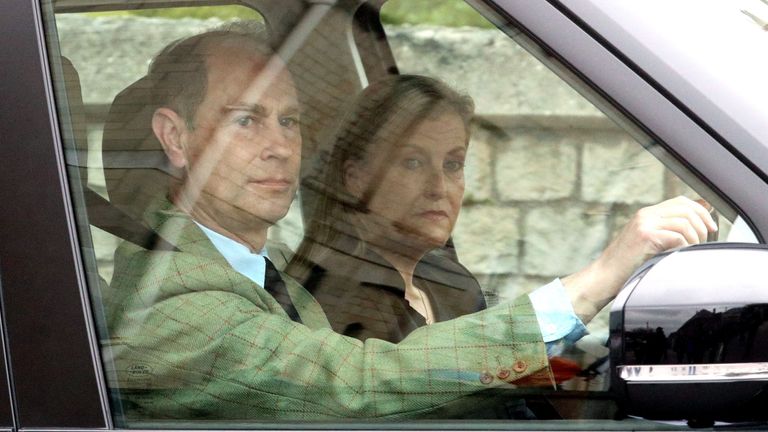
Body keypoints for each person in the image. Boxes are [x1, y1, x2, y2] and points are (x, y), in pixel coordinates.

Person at [102, 24, 717, 422]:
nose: (279, 147)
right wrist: (597, 279)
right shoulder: (171, 298)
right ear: (175, 138)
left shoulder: (254, 274)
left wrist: (575, 368)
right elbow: (361, 381)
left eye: (289, 122)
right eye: (246, 120)